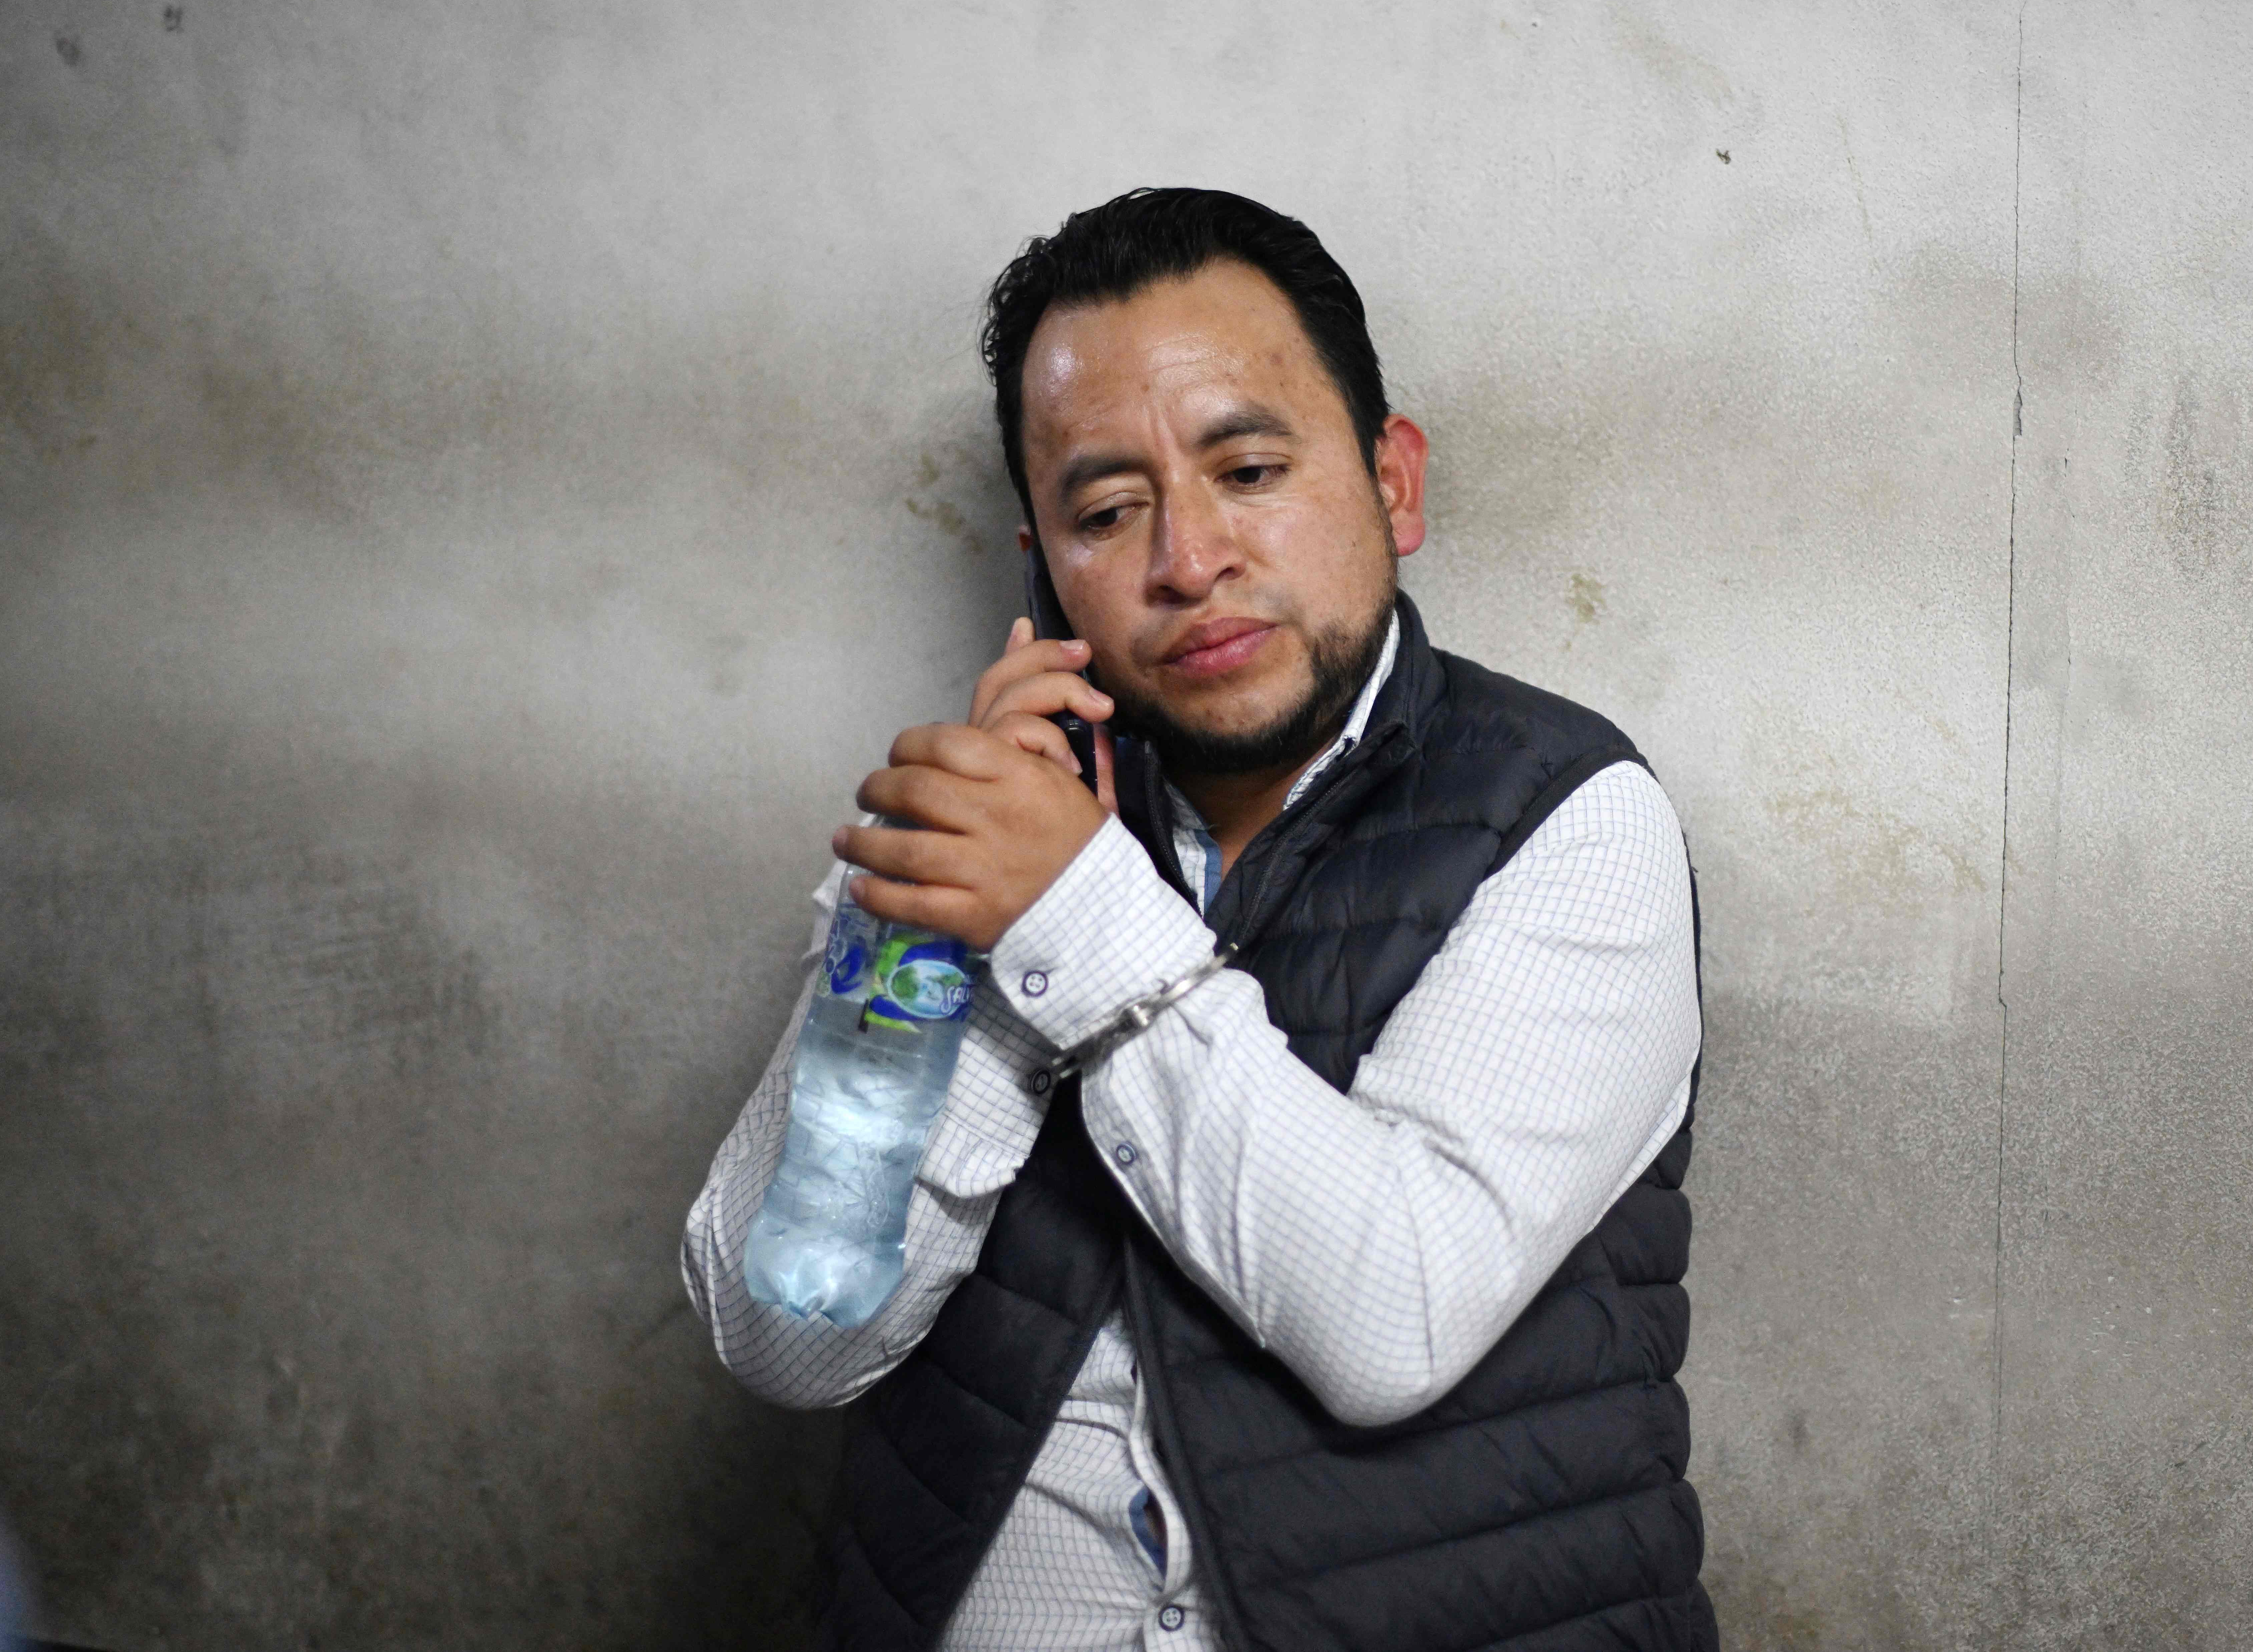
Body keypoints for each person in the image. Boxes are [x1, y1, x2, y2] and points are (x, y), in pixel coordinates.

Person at [685, 188, 1711, 1652]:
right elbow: (788, 1329)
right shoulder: (964, 842)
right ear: (1042, 564)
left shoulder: (1572, 817)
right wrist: (947, 946)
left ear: (1392, 485)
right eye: (1107, 511)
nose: (1187, 557)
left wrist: (1067, 908)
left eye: (1247, 467)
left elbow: (1390, 1315)